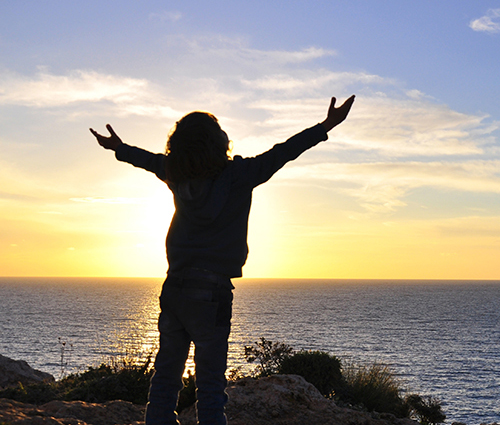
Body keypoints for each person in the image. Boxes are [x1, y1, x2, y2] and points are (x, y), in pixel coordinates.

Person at [90, 95, 355, 425]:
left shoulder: (175, 171)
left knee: (164, 381)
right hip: (212, 291)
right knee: (211, 389)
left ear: (179, 145)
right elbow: (284, 152)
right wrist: (326, 126)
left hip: (175, 287)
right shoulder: (241, 174)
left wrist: (118, 147)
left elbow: (146, 160)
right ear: (220, 142)